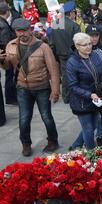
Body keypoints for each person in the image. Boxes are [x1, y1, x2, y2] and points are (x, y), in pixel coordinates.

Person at [0, 18, 60, 156]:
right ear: (15, 32)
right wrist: (2, 61)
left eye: (24, 30)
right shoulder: (11, 45)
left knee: (46, 117)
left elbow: (54, 69)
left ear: (30, 30)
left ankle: (53, 141)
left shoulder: (43, 47)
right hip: (22, 88)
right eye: (18, 31)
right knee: (24, 118)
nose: (22, 34)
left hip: (42, 87)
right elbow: (9, 67)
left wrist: (55, 91)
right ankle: (25, 144)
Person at [67, 32, 102, 150]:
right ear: (77, 46)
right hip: (82, 102)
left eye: (90, 43)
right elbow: (73, 86)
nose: (89, 46)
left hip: (96, 98)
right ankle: (91, 153)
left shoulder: (95, 55)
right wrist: (89, 94)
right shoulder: (72, 62)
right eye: (85, 45)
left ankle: (76, 145)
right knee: (88, 129)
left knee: (93, 125)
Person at [50, 1, 80, 105]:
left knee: (65, 75)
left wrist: (55, 55)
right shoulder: (74, 26)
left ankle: (66, 96)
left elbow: (52, 43)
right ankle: (72, 95)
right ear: (71, 13)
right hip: (72, 54)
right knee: (74, 75)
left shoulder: (56, 24)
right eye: (74, 12)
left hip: (61, 54)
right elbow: (77, 43)